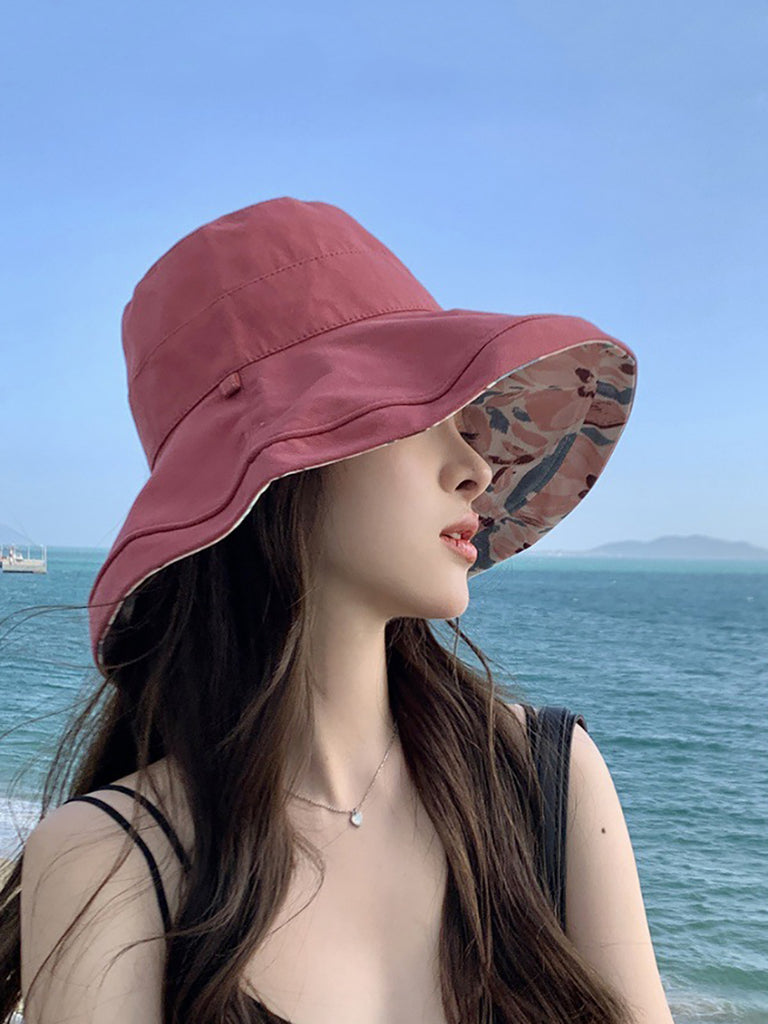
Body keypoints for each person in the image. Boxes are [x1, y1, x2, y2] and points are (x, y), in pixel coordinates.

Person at [0, 197, 674, 1023]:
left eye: (467, 421)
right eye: (420, 412)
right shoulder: (109, 864)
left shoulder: (546, 779)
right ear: (281, 463)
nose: (478, 468)